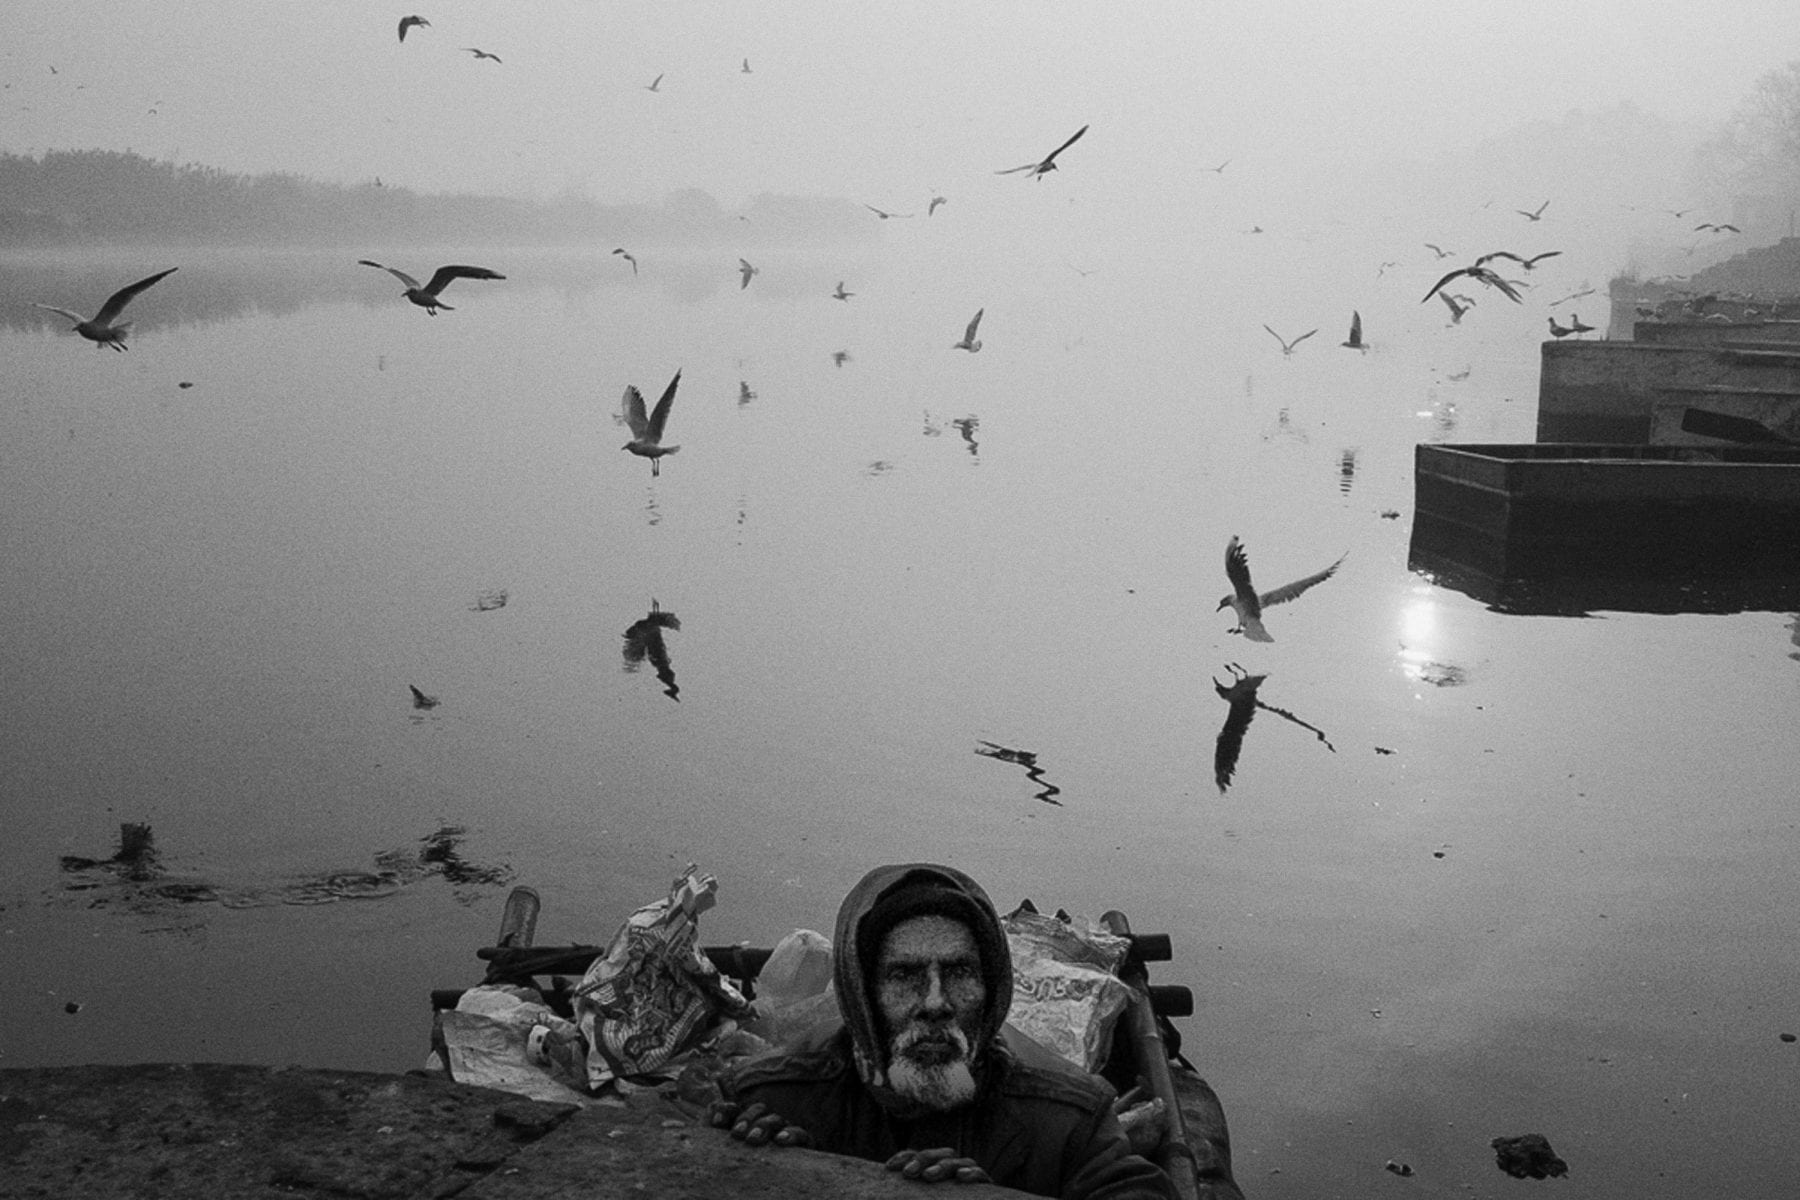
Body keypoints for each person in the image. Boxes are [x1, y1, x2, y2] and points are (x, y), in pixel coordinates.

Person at [711, 863, 1218, 1198]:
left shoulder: (1067, 1122)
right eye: (905, 976)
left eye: (959, 973)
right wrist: (772, 1170)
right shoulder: (776, 1097)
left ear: (992, 989)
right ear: (861, 994)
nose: (936, 1003)